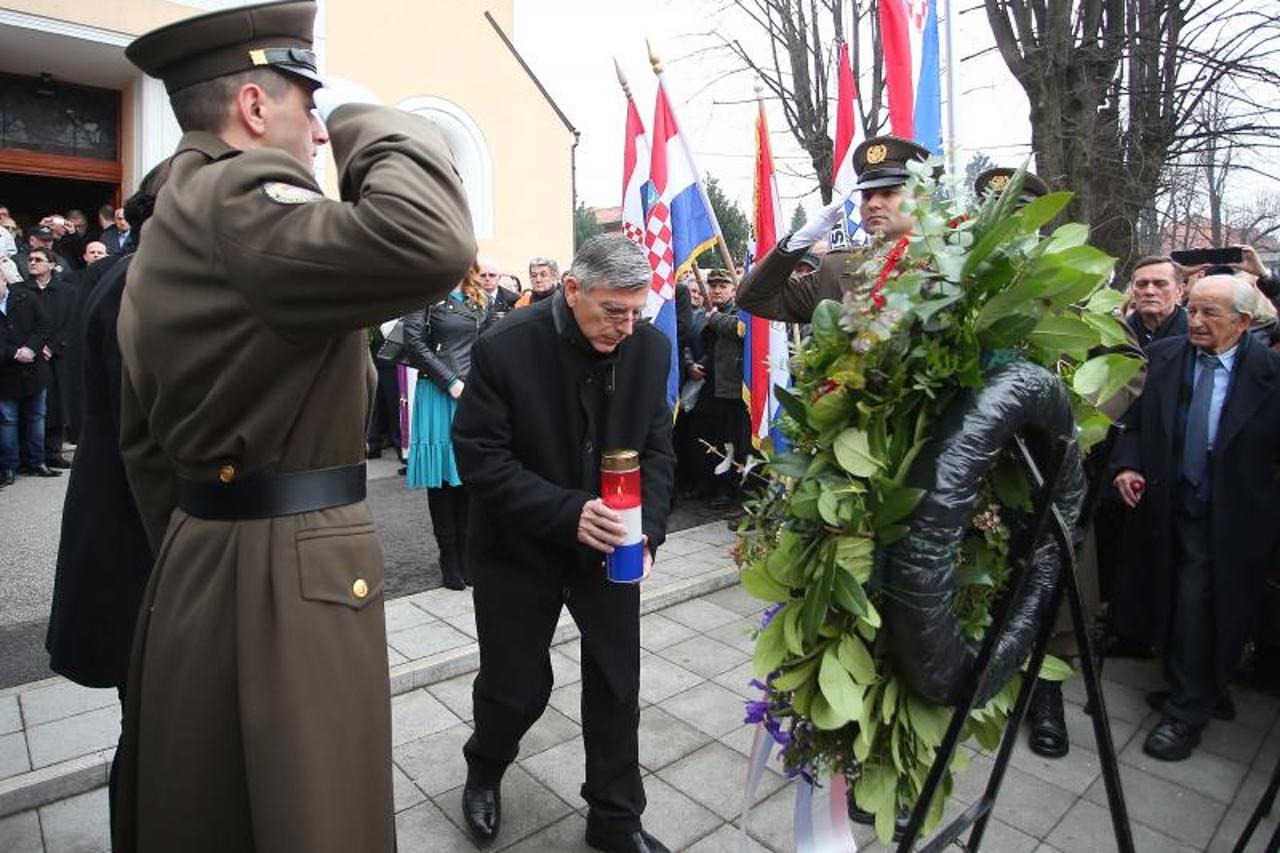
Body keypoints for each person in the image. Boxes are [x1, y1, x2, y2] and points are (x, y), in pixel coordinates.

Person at [114, 3, 475, 852]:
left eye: (324, 113)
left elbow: (143, 445)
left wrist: (210, 543)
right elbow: (430, 240)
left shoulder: (172, 214)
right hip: (289, 565)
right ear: (252, 109)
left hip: (203, 556)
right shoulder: (239, 193)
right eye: (306, 105)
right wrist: (365, 118)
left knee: (220, 810)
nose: (317, 131)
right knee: (318, 812)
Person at [453, 234, 676, 853]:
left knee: (616, 682)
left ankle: (615, 817)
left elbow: (657, 453)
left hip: (611, 551)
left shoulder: (649, 350)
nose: (626, 327)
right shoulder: (506, 347)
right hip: (519, 547)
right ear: (573, 289)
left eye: (637, 311)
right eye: (613, 311)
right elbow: (480, 460)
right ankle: (485, 766)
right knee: (517, 685)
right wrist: (567, 512)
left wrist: (648, 531)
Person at [1110, 275, 1280, 761]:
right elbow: (1138, 424)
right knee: (1172, 598)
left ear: (1244, 322)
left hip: (1230, 516)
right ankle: (1199, 688)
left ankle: (1186, 713)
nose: (1197, 322)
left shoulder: (1269, 375)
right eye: (1195, 309)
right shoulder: (1166, 359)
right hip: (1167, 505)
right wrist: (1128, 465)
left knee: (1199, 603)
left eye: (1211, 314)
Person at [46, 174, 161, 829]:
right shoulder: (140, 284)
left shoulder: (119, 273)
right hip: (134, 554)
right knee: (149, 735)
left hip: (118, 539)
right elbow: (151, 441)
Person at [736, 135, 932, 322]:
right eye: (867, 195)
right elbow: (754, 299)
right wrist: (800, 240)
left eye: (888, 193)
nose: (873, 204)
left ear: (921, 199)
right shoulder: (838, 267)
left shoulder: (947, 260)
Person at [403, 261, 491, 590]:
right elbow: (414, 343)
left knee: (467, 475)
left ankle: (468, 556)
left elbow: (485, 345)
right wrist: (451, 381)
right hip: (439, 393)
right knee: (442, 480)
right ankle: (449, 559)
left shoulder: (477, 296)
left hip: (472, 394)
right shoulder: (423, 293)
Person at [18, 247, 74, 468]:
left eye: (38, 260)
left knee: (57, 404)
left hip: (57, 355)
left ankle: (53, 452)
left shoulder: (68, 292)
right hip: (30, 355)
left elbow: (72, 322)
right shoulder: (20, 290)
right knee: (31, 406)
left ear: (51, 265)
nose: (32, 263)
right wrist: (34, 346)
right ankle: (29, 455)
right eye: (30, 259)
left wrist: (53, 346)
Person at [0, 265, 53, 486]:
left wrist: (31, 348)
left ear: (3, 279)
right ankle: (9, 466)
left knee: (36, 416)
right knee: (8, 420)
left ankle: (37, 462)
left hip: (33, 368)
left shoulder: (26, 297)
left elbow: (44, 325)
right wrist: (13, 353)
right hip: (5, 372)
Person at [700, 269, 748, 508]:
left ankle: (735, 494)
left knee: (735, 445)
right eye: (713, 286)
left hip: (735, 391)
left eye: (723, 286)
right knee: (717, 442)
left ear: (733, 289)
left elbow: (740, 328)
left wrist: (713, 318)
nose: (717, 290)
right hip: (713, 388)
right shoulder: (707, 313)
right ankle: (717, 488)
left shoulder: (739, 311)